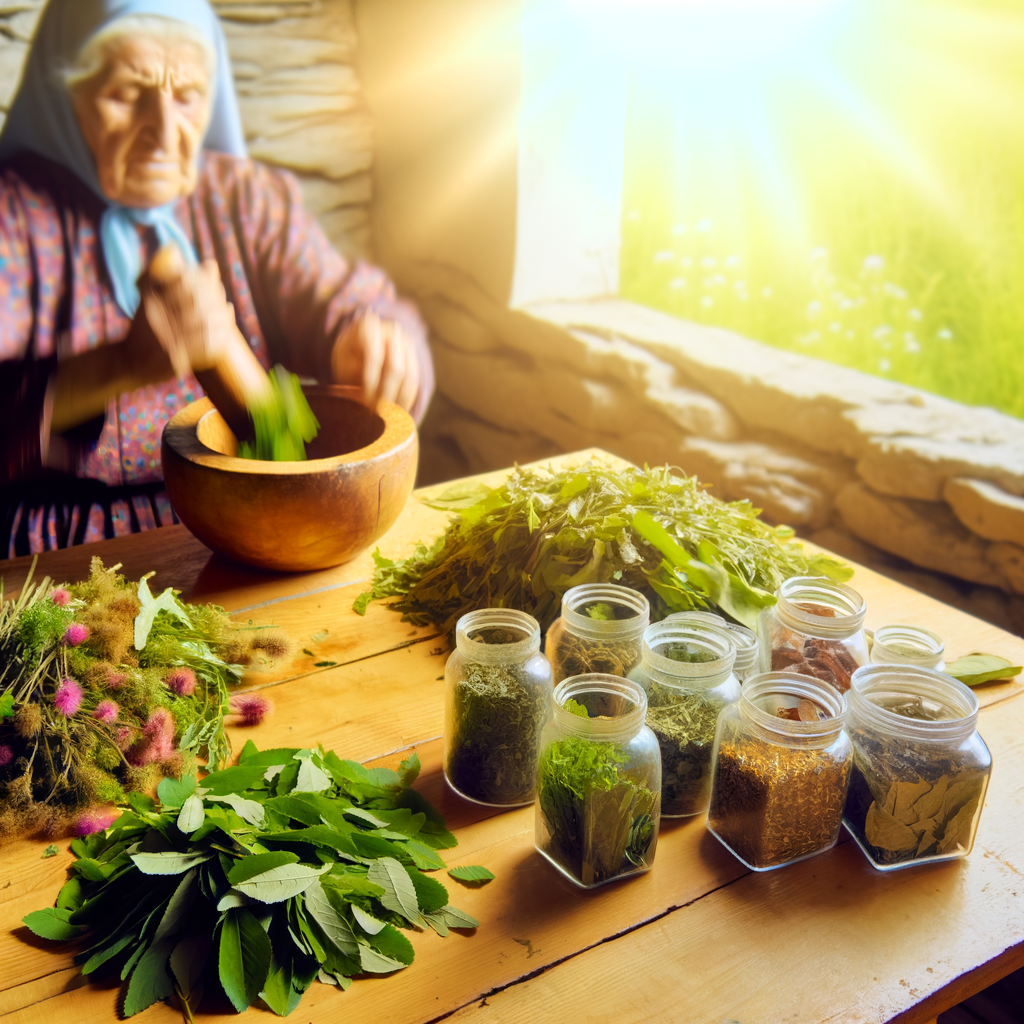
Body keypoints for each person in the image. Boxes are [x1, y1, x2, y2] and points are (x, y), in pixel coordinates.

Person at [0, 0, 433, 557]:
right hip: (57, 560)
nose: (163, 131)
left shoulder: (246, 201)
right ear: (69, 95)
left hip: (244, 532)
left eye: (187, 95)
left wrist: (370, 339)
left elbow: (350, 300)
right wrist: (118, 366)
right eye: (127, 93)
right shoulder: (13, 219)